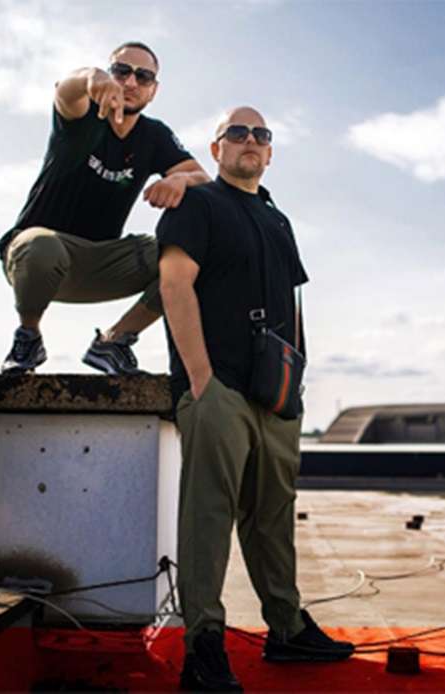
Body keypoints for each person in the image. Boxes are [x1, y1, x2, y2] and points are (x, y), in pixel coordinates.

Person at [157, 107, 354, 691]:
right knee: (208, 515)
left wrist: (298, 376)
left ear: (270, 154)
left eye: (260, 135)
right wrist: (200, 377)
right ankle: (204, 647)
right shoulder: (199, 204)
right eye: (237, 133)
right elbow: (174, 282)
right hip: (218, 387)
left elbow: (293, 304)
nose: (250, 141)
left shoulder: (277, 220)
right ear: (216, 149)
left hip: (276, 392)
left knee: (273, 516)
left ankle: (287, 629)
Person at [0, 41, 210, 374]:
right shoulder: (84, 115)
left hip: (103, 260)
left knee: (193, 254)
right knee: (40, 246)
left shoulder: (153, 135)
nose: (130, 83)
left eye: (143, 77)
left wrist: (180, 181)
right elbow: (66, 93)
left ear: (153, 90)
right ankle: (29, 336)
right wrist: (89, 77)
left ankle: (114, 342)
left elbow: (203, 179)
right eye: (121, 72)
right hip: (37, 261)